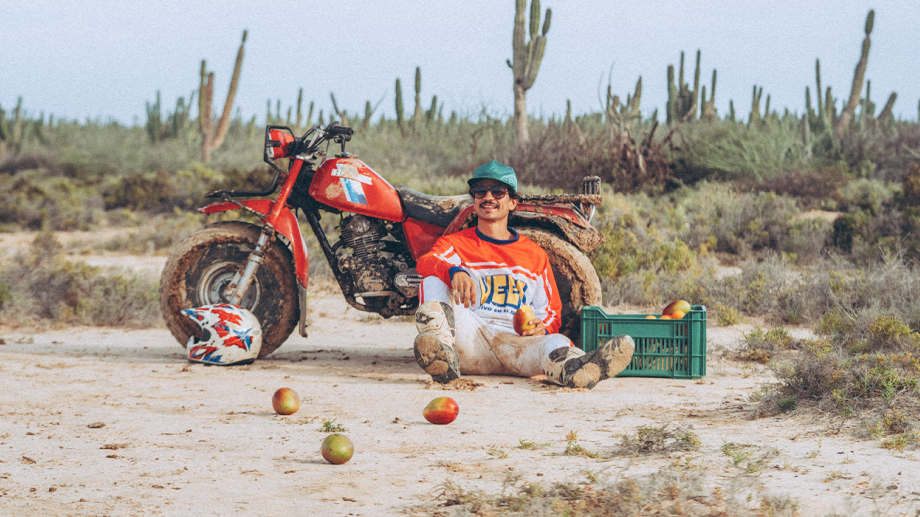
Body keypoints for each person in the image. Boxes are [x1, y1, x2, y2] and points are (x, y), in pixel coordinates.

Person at [413, 160, 634, 389]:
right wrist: (452, 270)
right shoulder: (455, 244)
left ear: (513, 202)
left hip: (518, 346)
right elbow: (426, 262)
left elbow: (550, 311)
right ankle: (442, 358)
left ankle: (575, 369)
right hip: (469, 341)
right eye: (480, 191)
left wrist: (543, 327)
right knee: (432, 279)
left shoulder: (534, 255)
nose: (488, 197)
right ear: (474, 199)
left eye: (498, 192)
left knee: (555, 341)